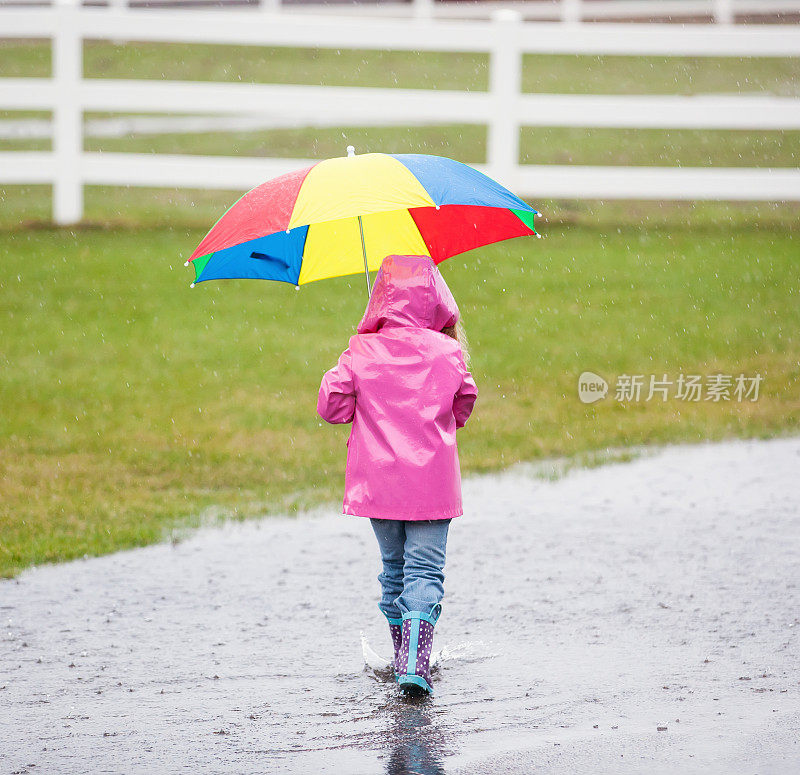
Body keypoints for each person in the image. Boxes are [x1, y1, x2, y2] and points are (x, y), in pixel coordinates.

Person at [317, 254, 478, 695]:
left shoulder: (361, 352)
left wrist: (350, 359)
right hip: (432, 486)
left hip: (380, 486)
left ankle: (401, 653)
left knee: (393, 569)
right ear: (435, 298)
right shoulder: (448, 352)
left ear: (381, 298)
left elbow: (331, 407)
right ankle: (415, 663)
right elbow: (464, 401)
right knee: (425, 570)